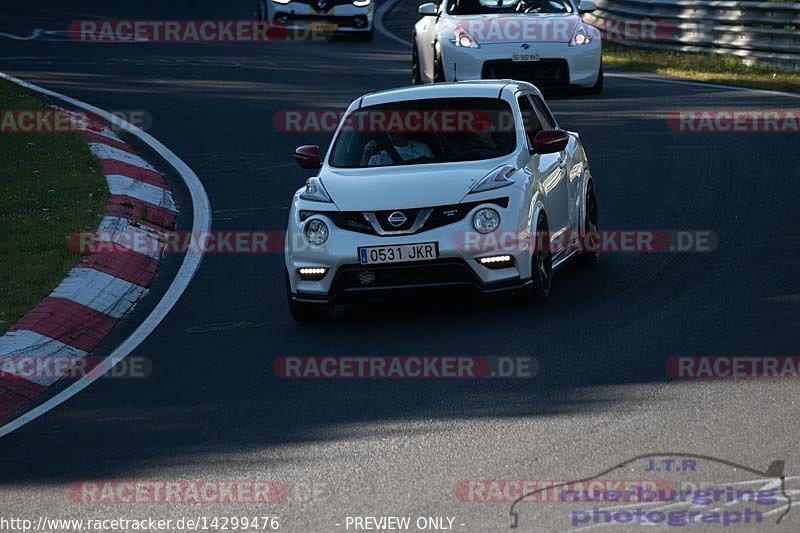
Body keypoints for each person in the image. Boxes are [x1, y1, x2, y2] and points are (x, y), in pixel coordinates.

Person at [361, 132, 434, 166]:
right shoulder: (378, 156)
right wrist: (366, 154)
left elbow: (431, 170)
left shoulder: (422, 148)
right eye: (389, 132)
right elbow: (364, 173)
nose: (391, 133)